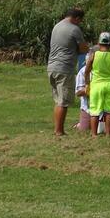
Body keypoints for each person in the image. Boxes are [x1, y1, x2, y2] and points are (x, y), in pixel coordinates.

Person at [47, 8, 88, 137]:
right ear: (77, 18)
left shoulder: (57, 26)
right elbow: (83, 49)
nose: (80, 23)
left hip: (52, 67)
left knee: (58, 100)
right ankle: (59, 131)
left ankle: (57, 129)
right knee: (63, 102)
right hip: (64, 68)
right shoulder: (74, 29)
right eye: (80, 21)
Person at [83, 32, 110, 137]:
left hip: (96, 85)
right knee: (109, 110)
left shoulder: (94, 55)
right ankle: (108, 134)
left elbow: (86, 71)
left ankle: (94, 134)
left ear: (99, 43)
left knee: (95, 110)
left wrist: (87, 83)